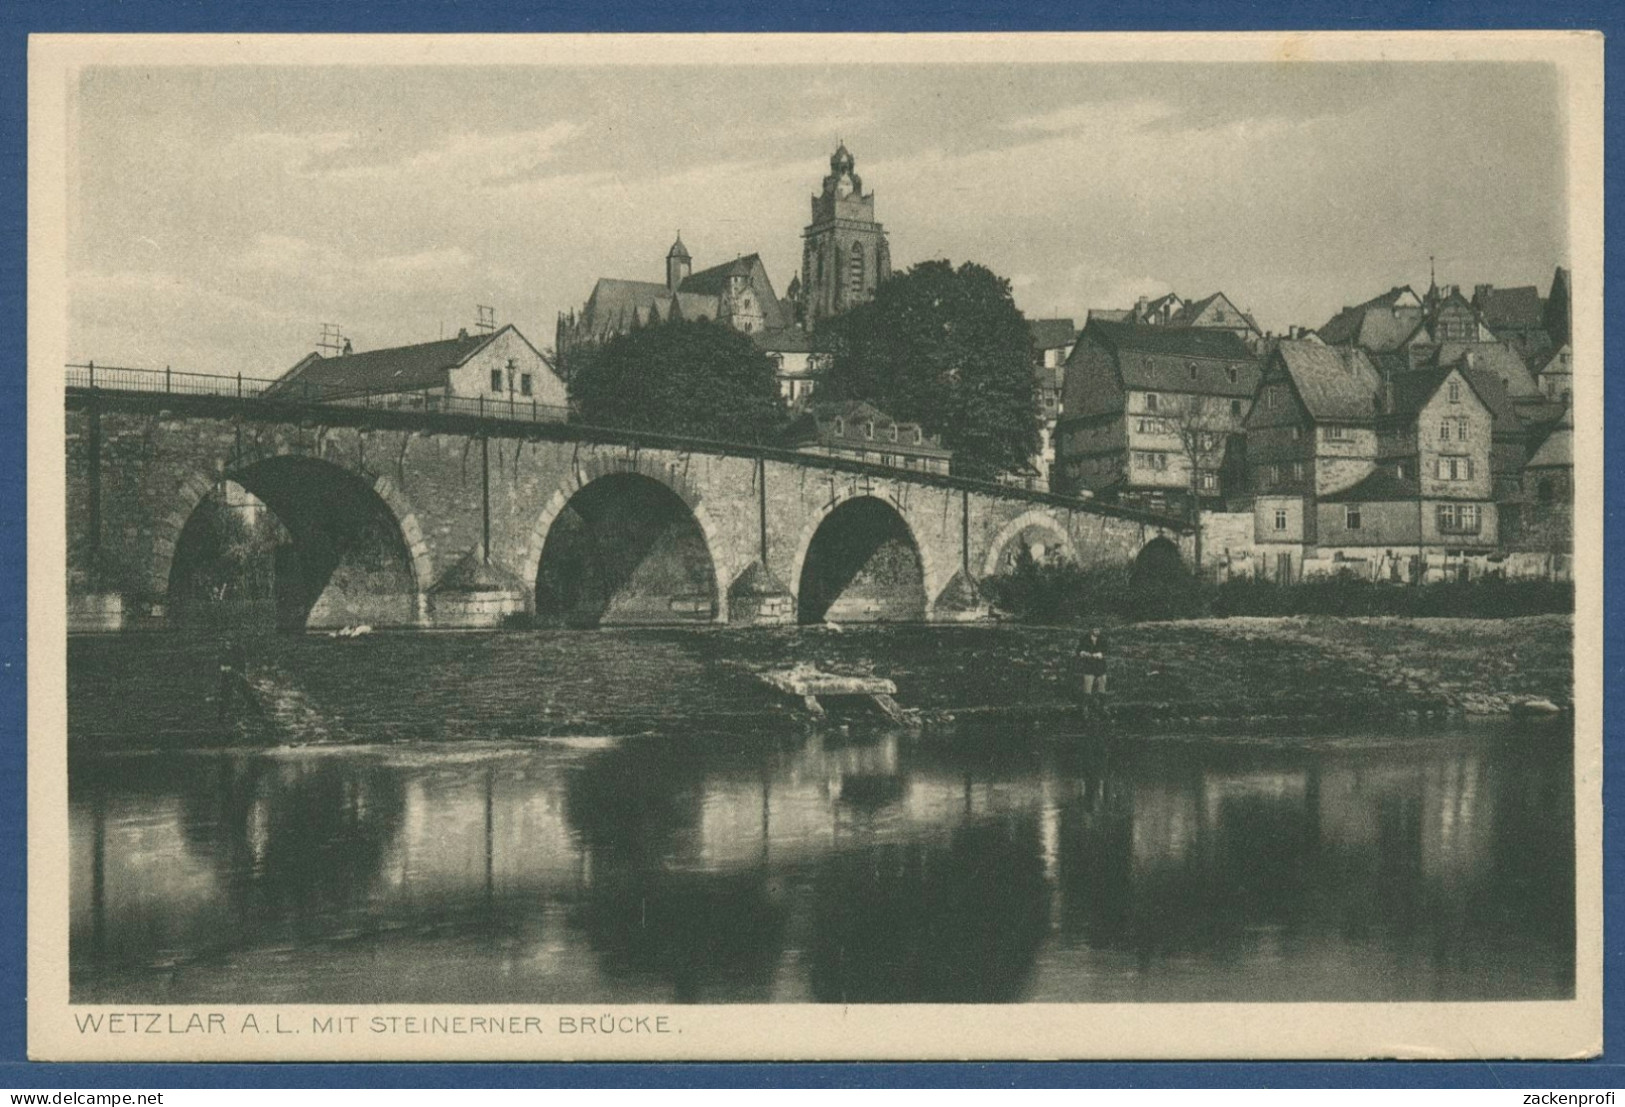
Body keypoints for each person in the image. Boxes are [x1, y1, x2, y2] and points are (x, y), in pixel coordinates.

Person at [215, 638, 261, 725]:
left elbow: (241, 666)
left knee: (248, 695)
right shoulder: (222, 651)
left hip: (238, 677)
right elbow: (219, 665)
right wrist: (223, 668)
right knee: (225, 697)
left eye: (230, 642)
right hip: (227, 678)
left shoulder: (238, 651)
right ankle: (220, 718)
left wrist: (233, 669)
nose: (228, 644)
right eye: (227, 643)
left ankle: (259, 713)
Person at [1080, 627, 1109, 698]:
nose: (1097, 631)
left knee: (1102, 688)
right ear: (1091, 630)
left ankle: (1101, 705)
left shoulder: (1103, 639)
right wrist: (1084, 653)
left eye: (1098, 630)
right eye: (1095, 630)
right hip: (1088, 666)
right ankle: (1086, 706)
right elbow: (1079, 650)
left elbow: (1107, 650)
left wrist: (1100, 654)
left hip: (1100, 667)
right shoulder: (1085, 639)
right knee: (1087, 688)